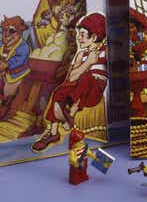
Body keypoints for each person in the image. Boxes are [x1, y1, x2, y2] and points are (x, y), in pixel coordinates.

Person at [31, 12, 108, 152]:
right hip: (77, 87)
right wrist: (87, 63)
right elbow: (71, 78)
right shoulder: (81, 54)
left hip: (93, 91)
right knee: (59, 90)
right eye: (78, 34)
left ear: (94, 37)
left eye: (82, 35)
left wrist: (86, 67)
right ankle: (53, 133)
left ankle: (71, 113)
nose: (78, 37)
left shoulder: (105, 51)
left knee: (86, 77)